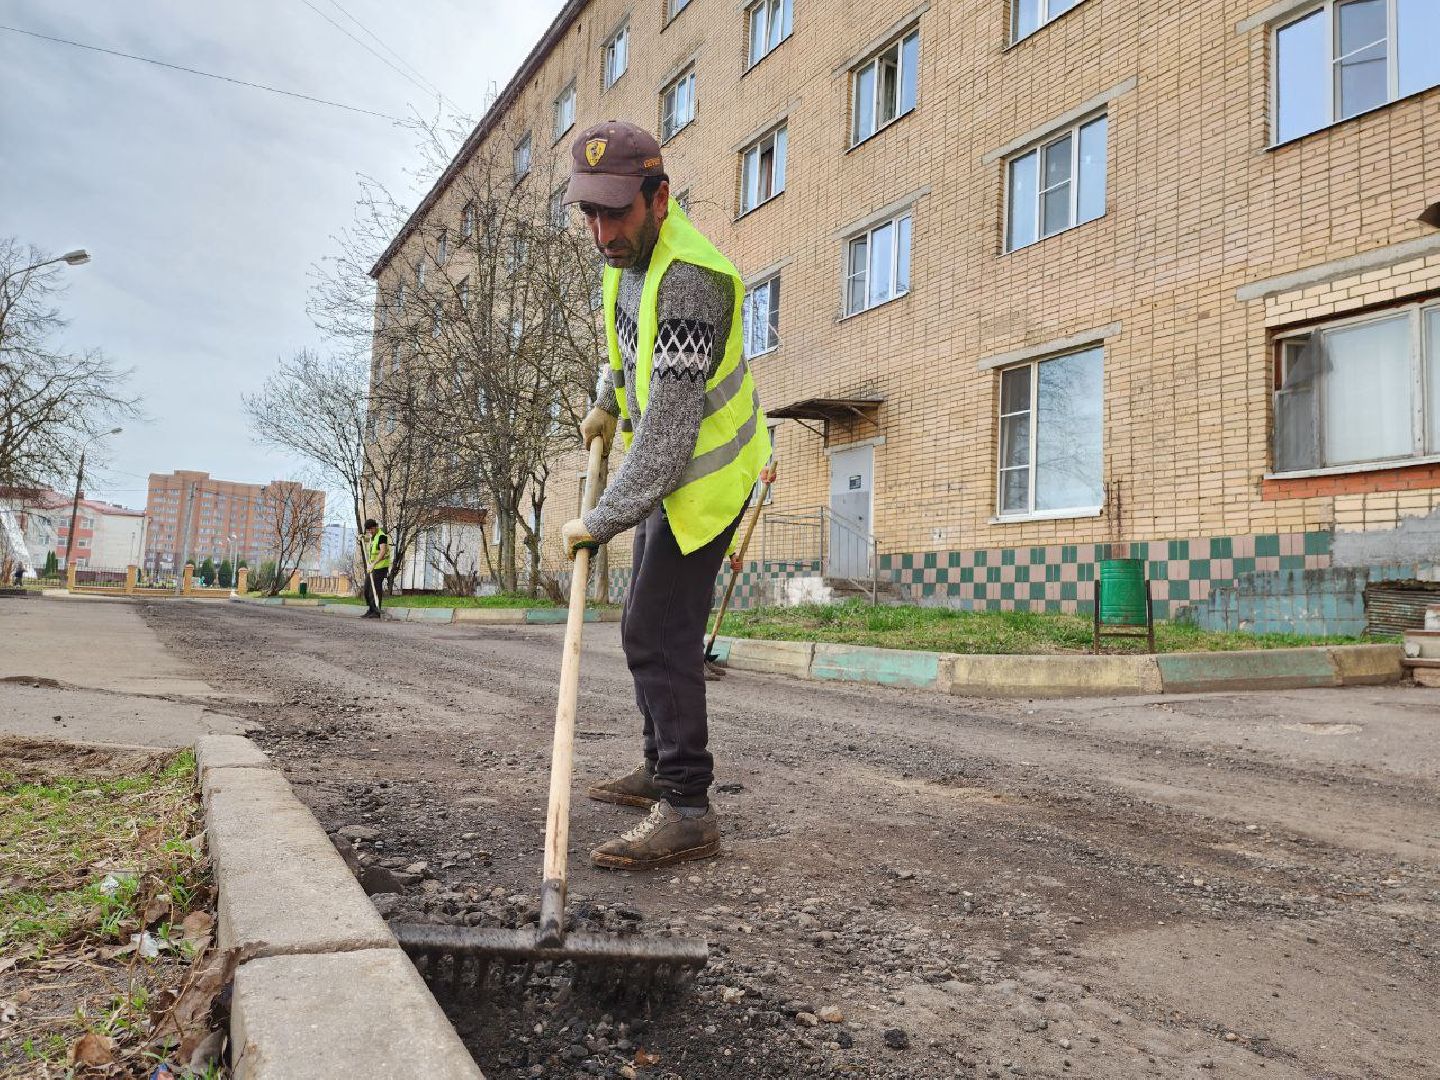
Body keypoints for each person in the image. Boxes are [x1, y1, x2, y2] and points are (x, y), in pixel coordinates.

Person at [559, 120, 771, 871]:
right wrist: (606, 400)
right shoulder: (625, 259)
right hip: (662, 468)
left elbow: (674, 432)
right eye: (589, 212)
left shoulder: (690, 279)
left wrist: (600, 520)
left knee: (656, 632)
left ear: (660, 197)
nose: (601, 230)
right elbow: (624, 346)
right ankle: (658, 766)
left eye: (615, 212)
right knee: (642, 628)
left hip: (707, 478)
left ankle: (686, 804)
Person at [362, 518, 389, 619]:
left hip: (380, 566)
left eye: (371, 530)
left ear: (375, 527)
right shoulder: (373, 536)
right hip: (372, 567)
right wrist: (361, 538)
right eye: (368, 530)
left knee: (375, 589)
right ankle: (371, 609)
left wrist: (374, 563)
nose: (370, 532)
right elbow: (368, 542)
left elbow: (382, 552)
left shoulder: (382, 536)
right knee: (366, 588)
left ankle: (376, 611)